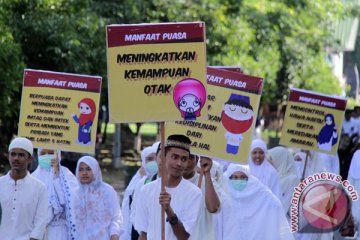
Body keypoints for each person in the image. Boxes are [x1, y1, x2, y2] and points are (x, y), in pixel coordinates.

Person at [135, 135, 202, 240]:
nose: (179, 163)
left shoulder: (194, 193)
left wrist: (168, 210)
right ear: (163, 158)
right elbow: (143, 234)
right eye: (174, 157)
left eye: (184, 159)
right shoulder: (146, 190)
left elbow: (184, 237)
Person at [215, 163, 294, 240]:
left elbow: (274, 203)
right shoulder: (223, 192)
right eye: (235, 177)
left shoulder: (256, 189)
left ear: (248, 178)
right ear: (229, 178)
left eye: (243, 177)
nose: (238, 180)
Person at [0, 137, 48, 239]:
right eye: (13, 154)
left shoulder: (40, 188)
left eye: (21, 155)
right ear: (8, 157)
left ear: (30, 159)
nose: (16, 158)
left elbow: (40, 222)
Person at [32, 148, 78, 240]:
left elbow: (73, 202)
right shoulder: (33, 178)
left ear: (58, 155)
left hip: (62, 231)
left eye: (51, 153)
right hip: (39, 233)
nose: (47, 156)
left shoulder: (67, 175)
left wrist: (56, 175)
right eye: (43, 153)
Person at [75, 156, 123, 240]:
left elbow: (116, 216)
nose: (84, 173)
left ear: (95, 170)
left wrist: (114, 234)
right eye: (81, 169)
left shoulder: (107, 191)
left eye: (88, 169)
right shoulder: (74, 193)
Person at [122, 143, 159, 240]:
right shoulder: (137, 183)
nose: (153, 162)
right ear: (143, 162)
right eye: (149, 159)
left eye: (155, 158)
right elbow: (131, 210)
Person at [183, 154, 221, 240]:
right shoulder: (166, 184)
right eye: (183, 158)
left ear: (197, 160)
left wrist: (207, 173)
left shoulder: (207, 182)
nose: (186, 162)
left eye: (191, 157)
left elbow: (213, 208)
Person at [268, 146, 300, 216]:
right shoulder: (273, 176)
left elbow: (286, 203)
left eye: (271, 158)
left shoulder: (293, 179)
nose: (269, 162)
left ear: (280, 159)